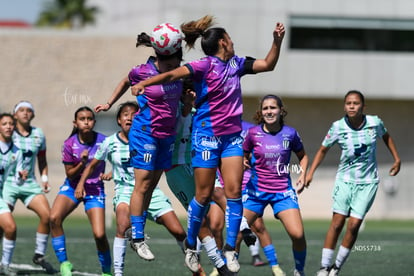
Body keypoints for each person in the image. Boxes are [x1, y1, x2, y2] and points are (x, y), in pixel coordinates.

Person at [131, 15, 285, 274]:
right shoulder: (203, 65)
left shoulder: (238, 64)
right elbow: (171, 75)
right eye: (231, 39)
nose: (234, 42)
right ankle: (191, 246)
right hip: (207, 137)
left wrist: (276, 42)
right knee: (202, 196)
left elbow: (268, 64)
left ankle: (230, 251)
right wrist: (145, 83)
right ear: (224, 42)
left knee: (234, 193)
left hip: (232, 138)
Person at [95, 23, 185, 263]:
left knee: (152, 185)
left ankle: (138, 230)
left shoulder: (179, 72)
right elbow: (125, 81)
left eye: (176, 64)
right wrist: (108, 103)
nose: (172, 69)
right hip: (145, 133)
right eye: (168, 65)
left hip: (167, 136)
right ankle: (137, 237)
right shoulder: (143, 71)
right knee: (142, 185)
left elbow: (186, 92)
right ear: (158, 57)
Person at [78, 102, 187, 276]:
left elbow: (144, 167)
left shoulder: (150, 139)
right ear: (119, 120)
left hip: (150, 192)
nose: (129, 117)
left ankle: (197, 268)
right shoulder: (110, 142)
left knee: (179, 231)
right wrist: (81, 183)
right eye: (125, 114)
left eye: (134, 114)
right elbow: (93, 165)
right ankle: (119, 273)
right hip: (125, 192)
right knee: (122, 225)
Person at [306, 90, 401, 276]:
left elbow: (387, 137)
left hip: (368, 183)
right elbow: (322, 150)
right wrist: (310, 173)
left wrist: (396, 159)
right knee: (337, 223)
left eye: (356, 103)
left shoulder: (375, 123)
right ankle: (324, 266)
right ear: (344, 106)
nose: (351, 106)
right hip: (345, 181)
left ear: (363, 107)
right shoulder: (337, 127)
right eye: (348, 103)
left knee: (354, 225)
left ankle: (336, 267)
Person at [241, 95, 308, 276]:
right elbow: (244, 154)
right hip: (256, 192)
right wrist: (244, 161)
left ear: (281, 111)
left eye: (273, 108)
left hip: (282, 192)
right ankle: (226, 269)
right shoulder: (253, 133)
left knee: (298, 235)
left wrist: (303, 175)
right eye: (265, 108)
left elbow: (303, 156)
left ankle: (299, 270)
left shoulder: (290, 133)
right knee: (237, 233)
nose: (269, 111)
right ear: (261, 112)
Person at [49, 106, 112, 276]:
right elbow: (69, 174)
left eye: (89, 119)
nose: (86, 122)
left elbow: (120, 160)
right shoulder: (69, 144)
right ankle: (64, 263)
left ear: (94, 122)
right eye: (82, 119)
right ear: (75, 123)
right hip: (72, 187)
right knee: (54, 218)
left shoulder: (104, 141)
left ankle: (106, 272)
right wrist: (82, 163)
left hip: (94, 189)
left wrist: (111, 174)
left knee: (99, 235)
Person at [2, 101, 56, 274]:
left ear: (33, 115)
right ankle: (4, 262)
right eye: (21, 110)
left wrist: (45, 178)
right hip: (7, 184)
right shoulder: (7, 134)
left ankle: (39, 255)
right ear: (14, 114)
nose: (25, 113)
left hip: (29, 183)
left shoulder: (38, 135)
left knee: (48, 216)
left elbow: (42, 160)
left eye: (29, 110)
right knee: (5, 223)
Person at [0, 113, 27, 276]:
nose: (8, 126)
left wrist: (21, 177)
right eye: (4, 124)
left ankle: (4, 266)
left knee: (10, 227)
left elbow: (17, 182)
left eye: (11, 124)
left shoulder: (17, 152)